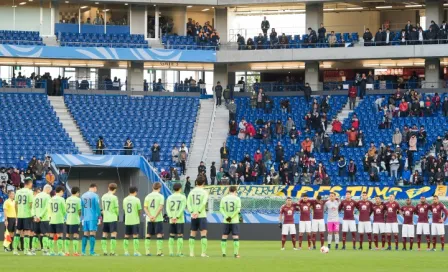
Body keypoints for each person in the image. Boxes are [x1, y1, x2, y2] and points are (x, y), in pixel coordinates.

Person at [187, 178, 209, 257]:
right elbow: (203, 203)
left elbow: (188, 203)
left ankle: (191, 253)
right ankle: (203, 253)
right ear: (203, 183)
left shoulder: (191, 192)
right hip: (201, 215)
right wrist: (198, 212)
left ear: (196, 182)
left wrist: (192, 212)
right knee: (203, 234)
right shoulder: (204, 192)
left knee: (192, 234)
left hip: (193, 216)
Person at [219, 185, 241, 258]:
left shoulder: (224, 198)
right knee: (235, 236)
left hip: (226, 221)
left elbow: (221, 209)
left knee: (224, 236)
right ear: (235, 191)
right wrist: (231, 217)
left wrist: (226, 217)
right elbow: (238, 210)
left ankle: (224, 253)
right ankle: (235, 253)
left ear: (229, 190)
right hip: (234, 220)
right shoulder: (237, 198)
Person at [13, 177, 33, 256]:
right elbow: (31, 204)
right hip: (27, 214)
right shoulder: (29, 192)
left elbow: (16, 204)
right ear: (30, 183)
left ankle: (15, 250)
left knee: (18, 232)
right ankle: (26, 250)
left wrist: (17, 214)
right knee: (27, 232)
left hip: (20, 214)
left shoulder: (18, 191)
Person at [144, 182, 165, 256]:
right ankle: (159, 252)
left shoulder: (147, 196)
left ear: (153, 187)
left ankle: (147, 252)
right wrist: (155, 216)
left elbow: (145, 208)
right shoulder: (161, 196)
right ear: (159, 188)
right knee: (159, 234)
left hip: (149, 219)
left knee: (148, 234)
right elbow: (160, 207)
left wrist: (150, 216)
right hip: (158, 218)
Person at [166, 182, 187, 257]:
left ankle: (171, 252)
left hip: (171, 220)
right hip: (179, 219)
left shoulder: (169, 197)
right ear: (180, 188)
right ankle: (179, 252)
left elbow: (167, 209)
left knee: (171, 235)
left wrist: (171, 217)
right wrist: (177, 217)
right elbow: (182, 208)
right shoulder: (183, 197)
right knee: (180, 235)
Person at [81, 183, 101, 256]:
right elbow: (97, 206)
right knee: (92, 233)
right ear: (94, 188)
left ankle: (83, 251)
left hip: (85, 217)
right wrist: (99, 216)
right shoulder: (95, 196)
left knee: (85, 233)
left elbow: (82, 207)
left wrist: (82, 218)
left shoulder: (83, 195)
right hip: (92, 217)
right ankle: (91, 251)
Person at [123, 186, 142, 256]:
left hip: (127, 220)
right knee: (135, 236)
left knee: (126, 236)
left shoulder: (125, 199)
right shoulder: (137, 200)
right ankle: (136, 252)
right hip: (135, 220)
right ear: (135, 192)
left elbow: (125, 209)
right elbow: (139, 210)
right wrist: (137, 215)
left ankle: (126, 251)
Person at [101, 183, 119, 256]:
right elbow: (116, 209)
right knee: (113, 234)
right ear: (115, 189)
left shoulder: (103, 196)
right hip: (112, 217)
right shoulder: (114, 197)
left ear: (108, 188)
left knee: (104, 234)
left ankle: (105, 251)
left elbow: (102, 208)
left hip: (106, 218)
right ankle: (112, 251)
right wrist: (117, 216)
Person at [48, 186, 66, 256]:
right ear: (61, 191)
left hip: (52, 219)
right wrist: (64, 216)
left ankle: (51, 251)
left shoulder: (51, 199)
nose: (63, 194)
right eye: (62, 192)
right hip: (59, 219)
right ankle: (60, 251)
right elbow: (64, 210)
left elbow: (49, 210)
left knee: (51, 235)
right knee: (59, 235)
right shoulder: (61, 199)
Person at [65, 186, 82, 256]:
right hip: (75, 219)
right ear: (77, 192)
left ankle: (67, 252)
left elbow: (66, 209)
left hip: (68, 219)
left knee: (67, 235)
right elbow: (79, 210)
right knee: (75, 235)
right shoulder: (78, 200)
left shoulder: (67, 199)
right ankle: (75, 252)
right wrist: (79, 216)